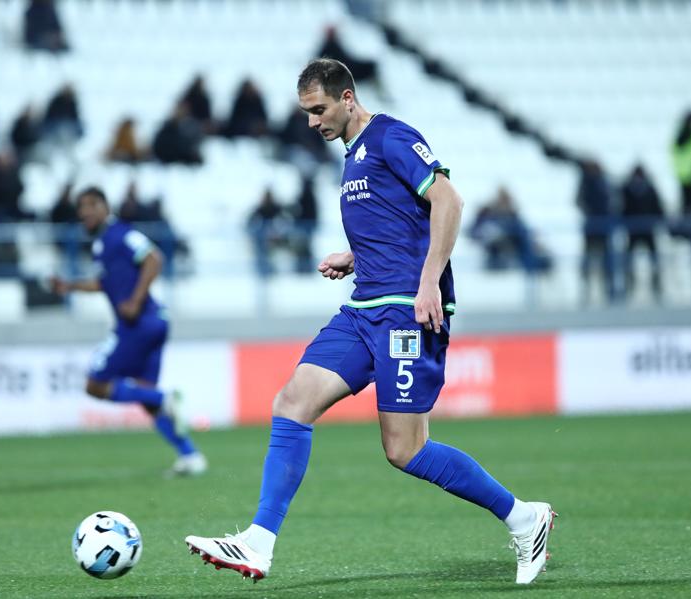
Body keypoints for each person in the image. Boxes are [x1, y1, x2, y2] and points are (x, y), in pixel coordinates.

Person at [184, 59, 555, 586]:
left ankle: (523, 517)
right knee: (292, 402)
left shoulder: (390, 137)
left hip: (407, 311)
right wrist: (356, 257)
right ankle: (258, 543)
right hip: (363, 309)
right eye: (306, 112)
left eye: (318, 109)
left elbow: (448, 201)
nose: (312, 122)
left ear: (347, 98)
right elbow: (400, 222)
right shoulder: (354, 153)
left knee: (405, 450)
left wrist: (429, 282)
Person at [50, 187, 206, 477]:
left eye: (90, 205)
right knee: (145, 396)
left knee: (95, 385)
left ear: (105, 207)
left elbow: (154, 258)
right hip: (152, 323)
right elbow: (103, 283)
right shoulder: (102, 244)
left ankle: (164, 399)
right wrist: (70, 286)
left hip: (139, 324)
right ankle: (190, 456)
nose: (84, 212)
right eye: (80, 207)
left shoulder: (121, 234)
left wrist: (135, 300)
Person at [468, 186, 551, 274]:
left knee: (525, 240)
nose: (504, 204)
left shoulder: (512, 216)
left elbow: (522, 232)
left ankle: (533, 263)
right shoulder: (487, 215)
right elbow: (474, 232)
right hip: (494, 249)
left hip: (512, 248)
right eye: (502, 200)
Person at [620, 164, 665, 299]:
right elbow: (621, 208)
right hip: (632, 230)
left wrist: (657, 221)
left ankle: (656, 285)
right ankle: (629, 285)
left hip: (648, 230)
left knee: (654, 258)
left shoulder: (650, 189)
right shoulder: (626, 189)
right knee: (629, 258)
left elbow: (658, 207)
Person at [576, 159, 618, 302]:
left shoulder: (605, 182)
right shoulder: (586, 182)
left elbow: (613, 201)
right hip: (592, 227)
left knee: (607, 261)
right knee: (589, 260)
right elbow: (578, 201)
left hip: (604, 227)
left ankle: (609, 292)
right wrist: (589, 212)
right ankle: (586, 292)